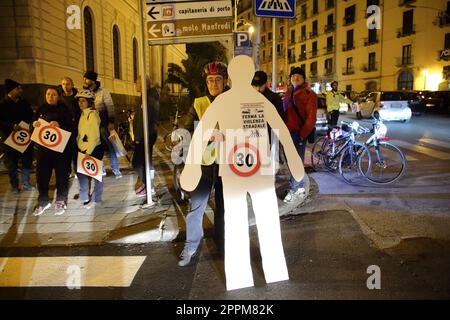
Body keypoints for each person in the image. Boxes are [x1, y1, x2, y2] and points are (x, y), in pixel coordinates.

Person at [178, 61, 227, 267]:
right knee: (196, 207)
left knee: (225, 210)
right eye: (210, 80)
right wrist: (208, 135)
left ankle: (224, 246)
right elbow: (185, 130)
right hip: (204, 164)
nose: (213, 84)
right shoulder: (198, 103)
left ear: (225, 81)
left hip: (228, 163)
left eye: (217, 80)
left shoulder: (232, 101)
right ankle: (190, 247)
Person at [32, 87, 74, 216]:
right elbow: (31, 125)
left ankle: (61, 200)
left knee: (61, 176)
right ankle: (43, 201)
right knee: (42, 176)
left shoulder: (65, 110)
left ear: (58, 97)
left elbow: (72, 128)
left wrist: (59, 125)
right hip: (44, 150)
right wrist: (34, 125)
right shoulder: (40, 109)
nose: (50, 96)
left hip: (61, 151)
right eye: (48, 94)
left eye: (53, 94)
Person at [283, 67, 317, 203]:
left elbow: (311, 117)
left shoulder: (309, 94)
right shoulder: (289, 92)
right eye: (293, 76)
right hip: (288, 133)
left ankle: (295, 188)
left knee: (296, 161)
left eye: (298, 76)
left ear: (303, 78)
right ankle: (298, 184)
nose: (295, 78)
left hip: (298, 134)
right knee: (291, 161)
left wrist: (303, 135)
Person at [82, 71, 122, 179]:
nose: (84, 81)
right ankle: (101, 168)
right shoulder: (84, 93)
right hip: (90, 127)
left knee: (110, 147)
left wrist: (111, 122)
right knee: (95, 148)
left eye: (86, 79)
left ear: (93, 80)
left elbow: (110, 106)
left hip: (103, 125)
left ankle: (116, 169)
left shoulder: (103, 92)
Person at [0, 79, 34, 193]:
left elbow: (31, 116)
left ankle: (26, 182)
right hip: (9, 139)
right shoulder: (2, 104)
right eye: (18, 88)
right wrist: (11, 126)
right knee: (12, 163)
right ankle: (15, 185)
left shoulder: (24, 102)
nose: (21, 90)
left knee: (27, 160)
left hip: (25, 137)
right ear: (11, 90)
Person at [75, 89, 104, 209]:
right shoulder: (83, 114)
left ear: (89, 102)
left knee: (96, 175)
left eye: (83, 101)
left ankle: (96, 198)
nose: (80, 103)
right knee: (81, 173)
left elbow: (95, 135)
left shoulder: (92, 115)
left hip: (93, 149)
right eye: (79, 101)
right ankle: (84, 197)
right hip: (83, 148)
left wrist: (88, 152)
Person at [133, 75, 159, 197]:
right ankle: (148, 186)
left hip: (145, 135)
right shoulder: (145, 97)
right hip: (144, 135)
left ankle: (148, 185)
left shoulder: (148, 98)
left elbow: (148, 119)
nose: (136, 85)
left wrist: (139, 137)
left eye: (137, 83)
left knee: (137, 162)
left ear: (143, 84)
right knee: (144, 162)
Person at [58, 77, 80, 178]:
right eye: (63, 84)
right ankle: (68, 171)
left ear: (72, 85)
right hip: (63, 128)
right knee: (65, 152)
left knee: (75, 151)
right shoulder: (59, 98)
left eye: (67, 84)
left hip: (76, 127)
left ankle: (76, 171)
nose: (65, 86)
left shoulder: (77, 97)